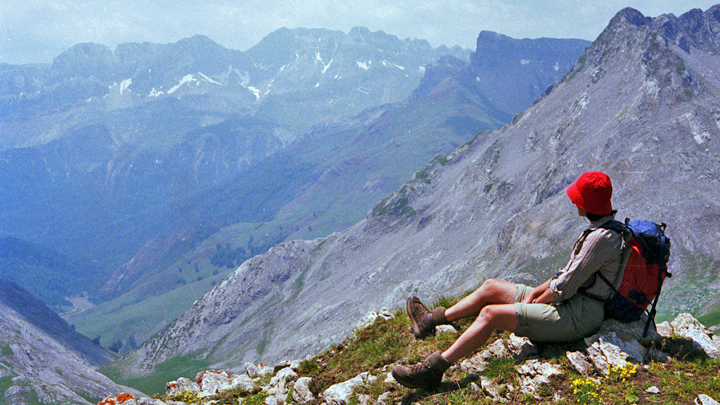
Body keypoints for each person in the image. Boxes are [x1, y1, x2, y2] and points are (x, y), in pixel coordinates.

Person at [391, 171, 625, 389]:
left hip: (579, 316)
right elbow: (567, 273)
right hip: (571, 302)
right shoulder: (602, 230)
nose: (574, 201)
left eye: (578, 198)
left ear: (585, 204)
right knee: (491, 287)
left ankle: (434, 369)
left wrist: (535, 302)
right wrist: (536, 293)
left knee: (490, 314)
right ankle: (430, 320)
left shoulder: (601, 238)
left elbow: (564, 287)